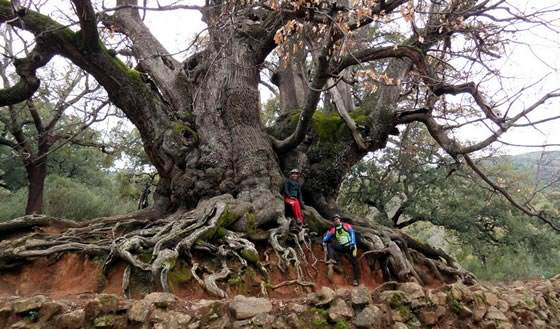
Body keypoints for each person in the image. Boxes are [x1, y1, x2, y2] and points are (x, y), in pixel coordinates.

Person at [322, 214, 360, 286]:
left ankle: (356, 280)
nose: (336, 221)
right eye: (334, 220)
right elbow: (326, 238)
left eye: (337, 219)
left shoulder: (346, 225)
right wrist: (326, 235)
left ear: (340, 219)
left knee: (354, 262)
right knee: (330, 244)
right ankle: (333, 260)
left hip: (351, 246)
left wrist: (353, 242)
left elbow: (352, 233)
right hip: (343, 247)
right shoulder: (333, 229)